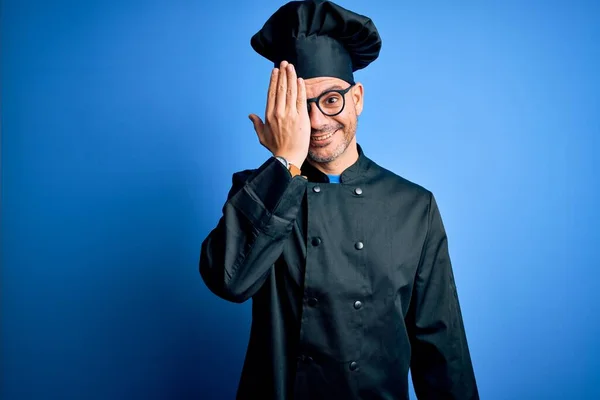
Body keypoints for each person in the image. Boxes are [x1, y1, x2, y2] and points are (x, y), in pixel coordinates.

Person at [199, 0, 479, 398]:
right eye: (300, 106)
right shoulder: (260, 192)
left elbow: (443, 351)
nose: (317, 121)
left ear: (358, 98)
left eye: (331, 100)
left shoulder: (415, 207)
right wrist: (284, 163)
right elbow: (229, 282)